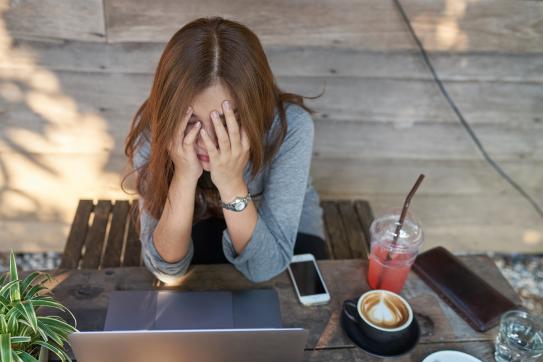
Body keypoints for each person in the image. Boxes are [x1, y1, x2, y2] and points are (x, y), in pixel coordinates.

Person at [124, 17, 327, 285]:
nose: (209, 141)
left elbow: (264, 267)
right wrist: (184, 176)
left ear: (253, 107)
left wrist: (231, 182)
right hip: (196, 217)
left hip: (282, 228)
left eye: (226, 122)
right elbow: (167, 271)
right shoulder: (156, 127)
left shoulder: (290, 127)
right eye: (193, 122)